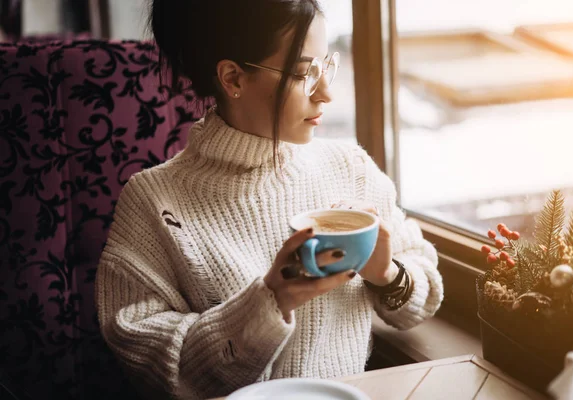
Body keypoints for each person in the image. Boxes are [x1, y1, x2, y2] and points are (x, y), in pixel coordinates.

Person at [95, 0, 443, 399]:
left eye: (325, 66)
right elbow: (150, 366)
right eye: (303, 74)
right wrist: (270, 301)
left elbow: (425, 289)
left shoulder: (350, 168)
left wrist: (388, 274)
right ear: (232, 78)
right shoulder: (154, 202)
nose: (326, 93)